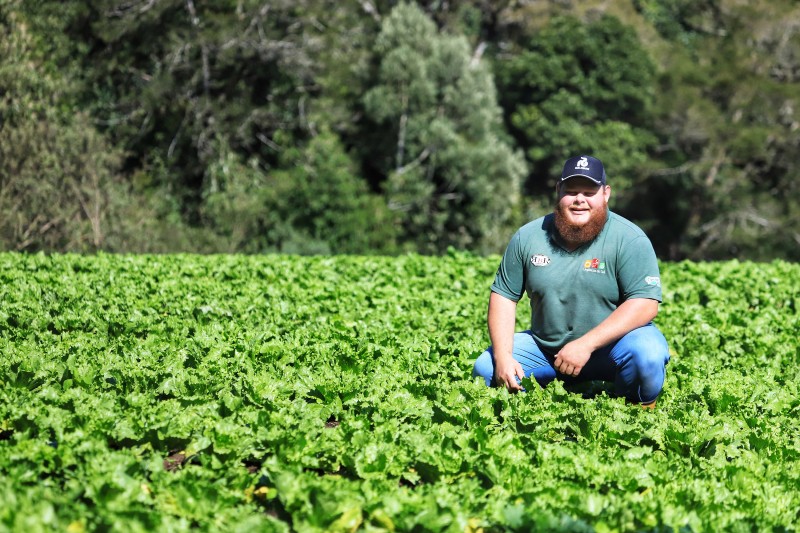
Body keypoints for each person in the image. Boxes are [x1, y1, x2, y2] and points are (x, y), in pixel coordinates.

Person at [473, 155, 669, 407]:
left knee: (648, 355)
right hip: (546, 349)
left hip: (611, 350)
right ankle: (524, 419)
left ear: (605, 194)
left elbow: (645, 303)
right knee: (486, 368)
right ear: (558, 191)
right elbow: (504, 297)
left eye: (589, 192)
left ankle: (640, 413)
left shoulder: (630, 239)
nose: (580, 200)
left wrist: (585, 345)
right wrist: (502, 356)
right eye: (572, 191)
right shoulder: (528, 237)